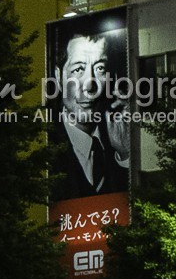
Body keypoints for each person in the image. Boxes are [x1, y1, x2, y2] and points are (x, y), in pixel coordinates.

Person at [53, 29, 129, 198]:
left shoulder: (119, 136)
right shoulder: (44, 142)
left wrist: (125, 155)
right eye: (78, 69)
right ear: (59, 77)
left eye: (100, 68)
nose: (90, 85)